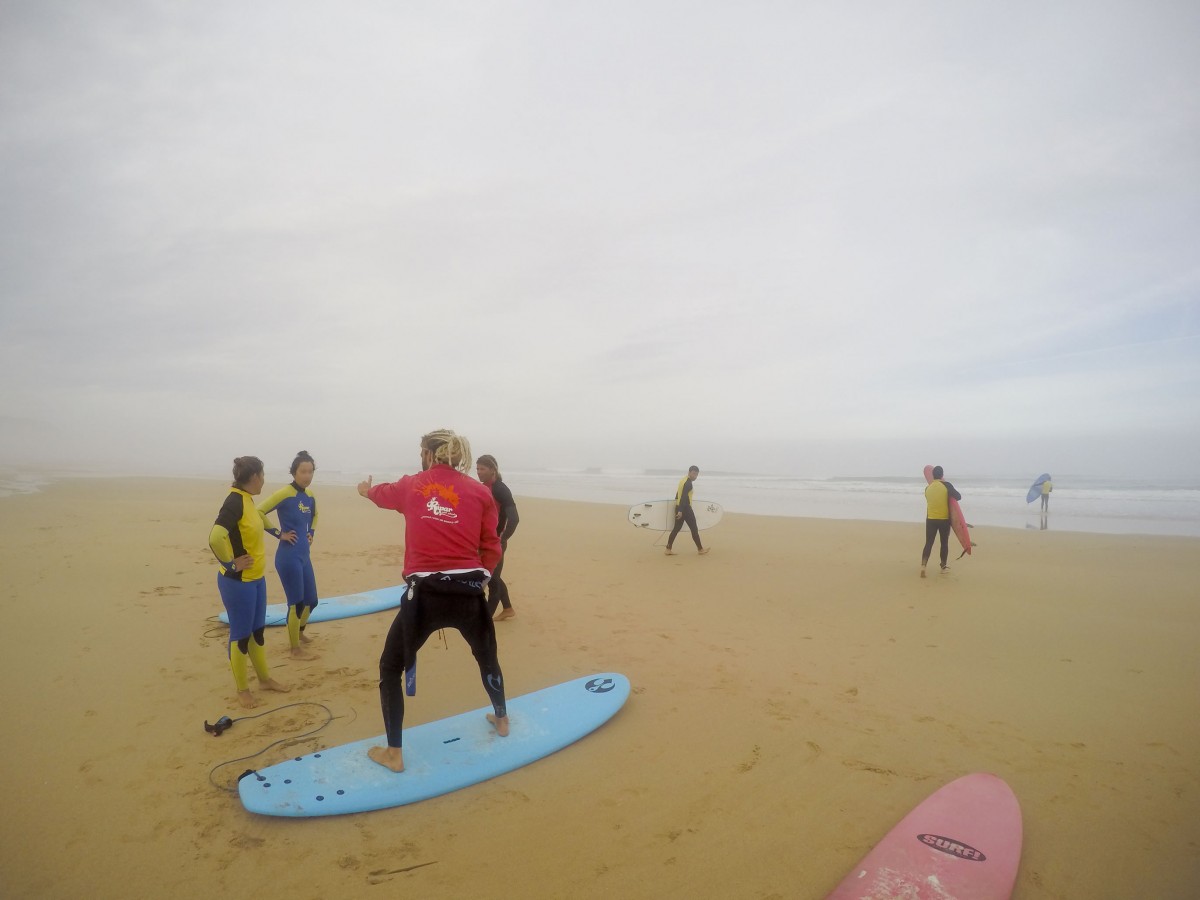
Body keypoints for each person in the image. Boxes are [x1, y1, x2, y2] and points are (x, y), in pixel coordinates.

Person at [357, 429, 508, 773]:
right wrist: (479, 576)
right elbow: (492, 545)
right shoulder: (481, 492)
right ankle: (501, 719)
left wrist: (366, 491)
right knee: (487, 658)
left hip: (423, 599)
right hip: (468, 595)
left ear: (428, 453)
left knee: (390, 667)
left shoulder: (412, 485)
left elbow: (382, 495)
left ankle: (394, 754)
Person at [208, 456, 290, 708]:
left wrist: (279, 534)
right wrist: (231, 564)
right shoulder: (233, 502)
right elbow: (215, 537)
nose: (264, 480)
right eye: (262, 476)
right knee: (240, 635)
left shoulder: (247, 500)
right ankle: (242, 690)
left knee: (257, 632)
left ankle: (264, 679)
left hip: (256, 580)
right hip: (238, 583)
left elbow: (258, 518)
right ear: (254, 477)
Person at [258, 451, 320, 660]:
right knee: (297, 604)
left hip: (304, 556)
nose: (307, 475)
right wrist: (279, 534)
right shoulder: (285, 493)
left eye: (310, 471)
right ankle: (294, 649)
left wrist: (311, 533)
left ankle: (299, 634)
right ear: (294, 472)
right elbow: (259, 512)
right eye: (303, 471)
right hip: (288, 558)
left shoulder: (310, 496)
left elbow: (315, 516)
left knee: (312, 601)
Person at [476, 454, 519, 621]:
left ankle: (484, 620)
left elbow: (514, 518)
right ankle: (508, 608)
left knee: (492, 578)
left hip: (495, 542)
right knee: (495, 576)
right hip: (484, 541)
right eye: (477, 469)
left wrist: (502, 538)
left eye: (483, 469)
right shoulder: (484, 487)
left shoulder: (500, 489)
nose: (479, 472)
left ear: (493, 470)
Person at [921, 465, 962, 578]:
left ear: (933, 475)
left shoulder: (927, 488)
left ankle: (923, 566)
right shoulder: (946, 485)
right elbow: (958, 497)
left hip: (930, 520)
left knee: (928, 543)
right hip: (944, 520)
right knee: (944, 544)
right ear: (942, 475)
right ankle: (943, 567)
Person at [665, 465, 708, 556]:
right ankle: (700, 549)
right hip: (685, 509)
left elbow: (678, 495)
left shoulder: (683, 480)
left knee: (676, 529)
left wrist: (678, 508)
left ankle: (668, 549)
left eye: (696, 474)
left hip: (679, 507)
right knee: (694, 528)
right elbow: (684, 497)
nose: (695, 476)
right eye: (693, 474)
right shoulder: (688, 483)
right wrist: (680, 511)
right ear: (689, 472)